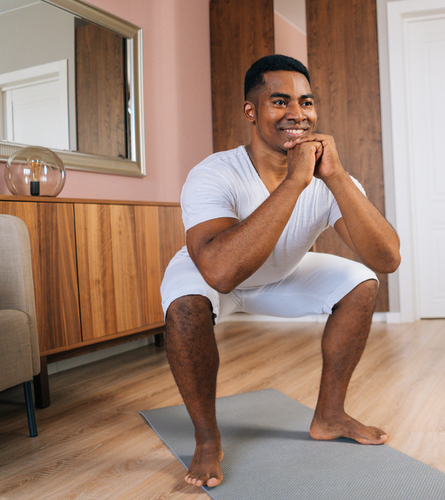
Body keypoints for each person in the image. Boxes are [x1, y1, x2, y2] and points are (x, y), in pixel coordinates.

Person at [159, 54, 401, 488]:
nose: (297, 114)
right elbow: (220, 272)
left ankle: (329, 415)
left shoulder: (329, 178)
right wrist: (295, 181)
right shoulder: (215, 173)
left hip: (282, 273)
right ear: (252, 112)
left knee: (362, 283)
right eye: (280, 101)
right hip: (212, 273)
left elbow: (387, 260)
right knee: (184, 306)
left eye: (306, 103)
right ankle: (207, 437)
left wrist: (338, 177)